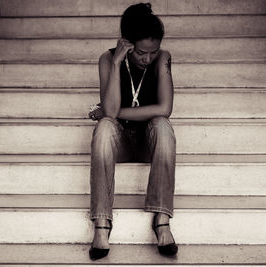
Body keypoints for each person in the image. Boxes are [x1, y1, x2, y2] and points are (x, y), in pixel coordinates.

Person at [89, 2, 177, 260]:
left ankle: (161, 220)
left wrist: (109, 111)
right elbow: (111, 112)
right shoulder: (107, 59)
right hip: (121, 141)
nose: (147, 58)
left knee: (162, 125)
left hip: (150, 140)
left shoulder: (164, 58)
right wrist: (117, 63)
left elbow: (164, 108)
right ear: (126, 43)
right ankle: (102, 224)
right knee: (105, 127)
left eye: (153, 51)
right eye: (140, 53)